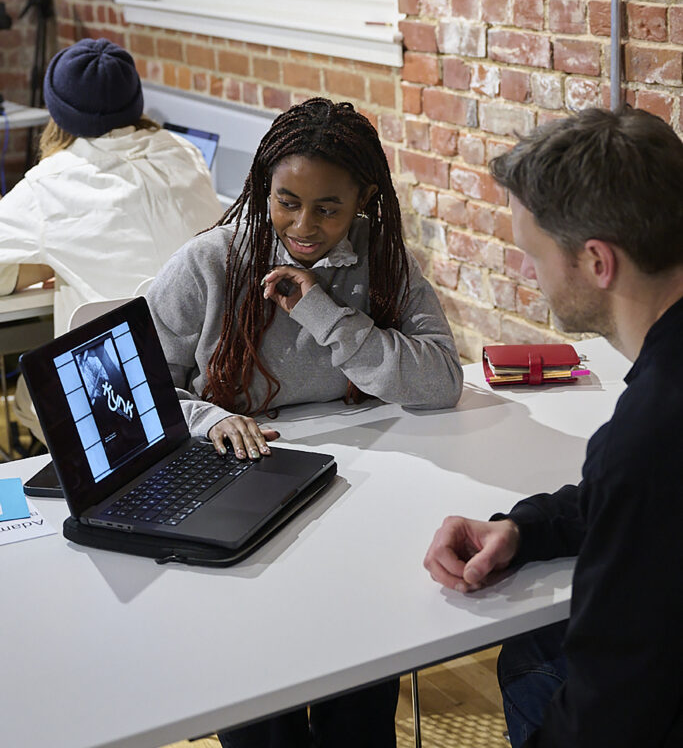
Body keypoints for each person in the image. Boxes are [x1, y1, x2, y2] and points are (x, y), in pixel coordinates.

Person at [147, 96, 464, 748]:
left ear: (363, 199)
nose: (304, 224)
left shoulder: (381, 261)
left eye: (329, 207)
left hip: (356, 493)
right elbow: (133, 392)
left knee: (358, 704)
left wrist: (320, 309)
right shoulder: (207, 265)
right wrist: (208, 417)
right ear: (264, 186)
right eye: (286, 201)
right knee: (263, 708)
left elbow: (439, 382)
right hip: (235, 493)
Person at [423, 105, 683, 748]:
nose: (528, 275)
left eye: (534, 256)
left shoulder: (648, 434)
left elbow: (613, 713)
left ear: (597, 262)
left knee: (538, 659)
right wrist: (524, 528)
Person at [0, 37, 222, 442]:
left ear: (59, 113)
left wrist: (37, 265)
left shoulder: (50, 184)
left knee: (26, 389)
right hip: (207, 377)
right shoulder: (185, 153)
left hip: (114, 395)